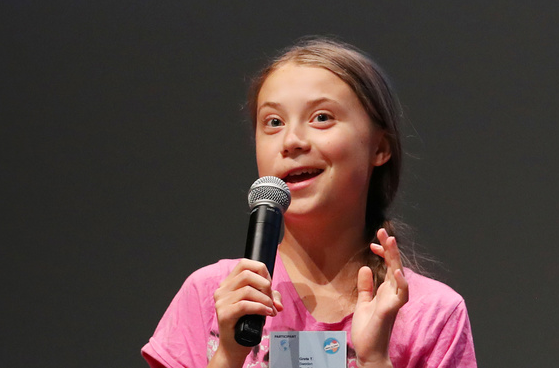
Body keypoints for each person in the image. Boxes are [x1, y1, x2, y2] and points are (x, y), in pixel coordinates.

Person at [143, 37, 477, 368]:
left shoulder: (430, 313)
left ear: (379, 148)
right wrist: (228, 355)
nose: (291, 141)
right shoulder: (210, 294)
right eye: (274, 122)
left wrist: (375, 359)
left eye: (321, 117)